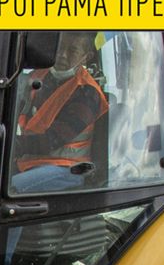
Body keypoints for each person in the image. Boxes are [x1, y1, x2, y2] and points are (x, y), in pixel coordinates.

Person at [11, 32, 109, 195]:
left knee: (9, 189)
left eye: (72, 51)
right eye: (59, 47)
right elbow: (14, 111)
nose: (62, 55)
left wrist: (15, 145)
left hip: (67, 168)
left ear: (86, 57)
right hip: (31, 162)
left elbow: (53, 140)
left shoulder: (87, 93)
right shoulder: (38, 76)